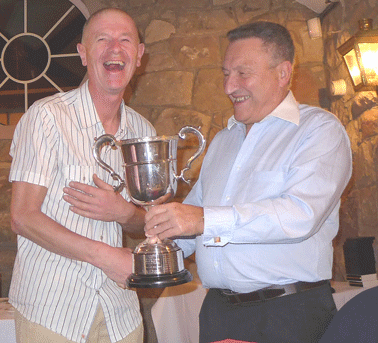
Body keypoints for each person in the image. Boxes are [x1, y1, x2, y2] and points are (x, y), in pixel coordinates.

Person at [144, 21, 352, 343]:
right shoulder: (223, 141)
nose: (229, 86)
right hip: (217, 312)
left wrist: (201, 219)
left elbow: (300, 214)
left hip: (288, 314)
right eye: (226, 73)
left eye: (243, 73)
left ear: (283, 74)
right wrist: (150, 242)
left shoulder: (319, 130)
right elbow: (191, 225)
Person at [8, 7, 155, 343]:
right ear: (83, 53)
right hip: (52, 311)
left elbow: (145, 222)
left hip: (120, 311)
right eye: (102, 39)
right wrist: (107, 256)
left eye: (125, 40)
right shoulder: (46, 117)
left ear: (140, 54)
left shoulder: (143, 130)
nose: (115, 48)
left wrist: (124, 212)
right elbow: (22, 217)